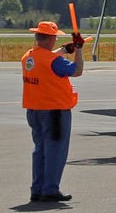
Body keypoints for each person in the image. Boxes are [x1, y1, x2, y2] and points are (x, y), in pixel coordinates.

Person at [21, 20, 83, 203]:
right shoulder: (55, 61)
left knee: (39, 149)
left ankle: (37, 189)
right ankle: (50, 189)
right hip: (54, 111)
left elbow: (46, 59)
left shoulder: (29, 57)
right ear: (50, 39)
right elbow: (77, 70)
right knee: (56, 150)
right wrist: (78, 50)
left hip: (34, 109)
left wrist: (65, 50)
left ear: (37, 37)